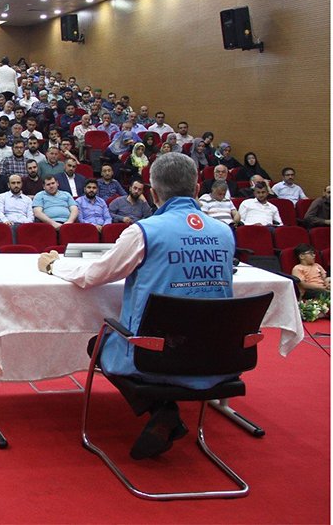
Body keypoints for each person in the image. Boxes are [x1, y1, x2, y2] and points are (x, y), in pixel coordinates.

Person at [34, 153, 236, 460]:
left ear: (153, 193)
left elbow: (93, 275)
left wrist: (55, 266)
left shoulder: (144, 231)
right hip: (214, 353)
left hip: (155, 353)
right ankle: (167, 410)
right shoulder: (224, 233)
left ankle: (163, 409)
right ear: (197, 190)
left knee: (99, 343)